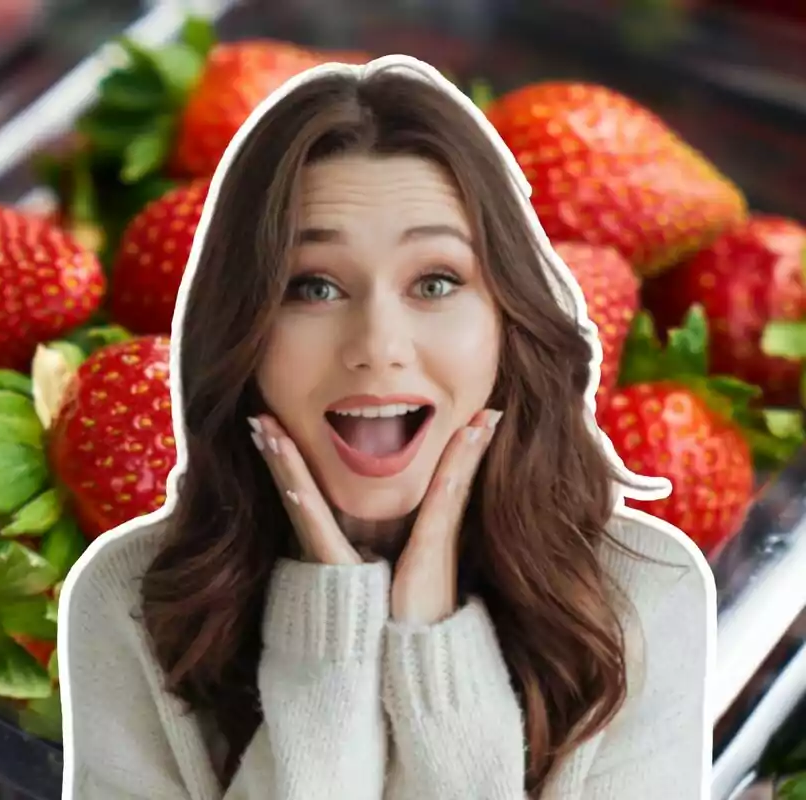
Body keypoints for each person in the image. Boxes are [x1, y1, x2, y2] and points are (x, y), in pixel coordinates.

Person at [57, 55, 715, 800]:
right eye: (313, 286)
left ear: (509, 319)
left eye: (435, 282)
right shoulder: (128, 602)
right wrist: (328, 642)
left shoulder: (645, 599)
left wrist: (432, 640)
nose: (376, 344)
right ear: (238, 324)